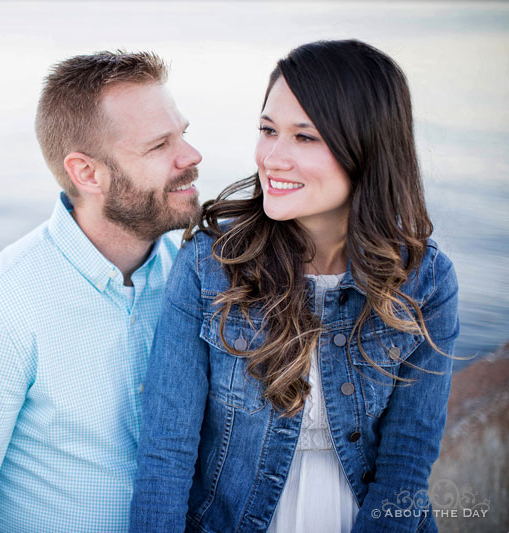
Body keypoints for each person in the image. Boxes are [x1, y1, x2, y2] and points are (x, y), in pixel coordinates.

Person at [129, 40, 459, 533]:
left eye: (305, 138)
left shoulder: (425, 279)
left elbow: (406, 466)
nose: (272, 158)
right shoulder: (210, 263)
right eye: (268, 131)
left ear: (365, 148)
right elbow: (166, 455)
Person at [0, 50, 201, 532]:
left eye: (183, 133)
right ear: (87, 173)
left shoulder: (196, 275)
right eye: (160, 145)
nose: (191, 156)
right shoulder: (1, 307)